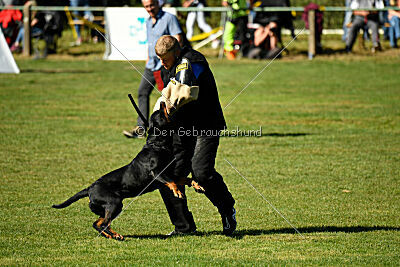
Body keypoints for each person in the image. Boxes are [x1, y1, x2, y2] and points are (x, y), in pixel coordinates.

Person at [153, 35, 236, 235]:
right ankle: (184, 227)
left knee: (202, 173)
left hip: (206, 125)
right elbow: (167, 94)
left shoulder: (193, 60)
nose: (162, 63)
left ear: (176, 51)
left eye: (165, 58)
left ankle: (227, 209)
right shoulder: (167, 67)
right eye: (160, 59)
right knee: (169, 174)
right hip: (182, 128)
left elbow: (187, 89)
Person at [123, 0, 184, 138]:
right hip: (150, 66)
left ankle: (173, 129)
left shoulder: (169, 19)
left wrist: (172, 63)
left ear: (158, 3)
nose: (149, 9)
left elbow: (178, 40)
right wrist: (147, 58)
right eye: (146, 6)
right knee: (142, 92)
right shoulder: (147, 22)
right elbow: (150, 44)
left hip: (165, 67)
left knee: (169, 98)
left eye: (151, 5)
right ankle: (141, 128)